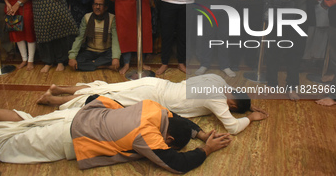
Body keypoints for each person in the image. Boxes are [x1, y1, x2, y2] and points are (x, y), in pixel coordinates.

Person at [0, 97, 232, 173]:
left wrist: (200, 134)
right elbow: (177, 164)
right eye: (169, 144)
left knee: (25, 122)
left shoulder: (156, 109)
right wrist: (207, 148)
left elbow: (178, 119)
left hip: (79, 115)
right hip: (69, 137)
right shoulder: (147, 136)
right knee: (7, 145)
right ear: (167, 140)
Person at [37, 74, 268, 135]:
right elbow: (232, 127)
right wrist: (250, 117)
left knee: (105, 88)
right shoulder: (217, 98)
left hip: (156, 84)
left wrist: (246, 106)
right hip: (153, 98)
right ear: (231, 105)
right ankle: (53, 99)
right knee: (105, 99)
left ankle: (58, 89)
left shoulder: (218, 80)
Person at [68, 0, 120, 71]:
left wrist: (115, 58)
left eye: (100, 5)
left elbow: (115, 39)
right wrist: (72, 57)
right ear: (92, 6)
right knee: (77, 61)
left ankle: (92, 65)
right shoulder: (87, 17)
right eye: (95, 4)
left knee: (118, 59)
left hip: (106, 52)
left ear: (106, 7)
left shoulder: (112, 18)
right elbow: (80, 38)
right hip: (90, 51)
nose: (97, 7)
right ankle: (105, 66)